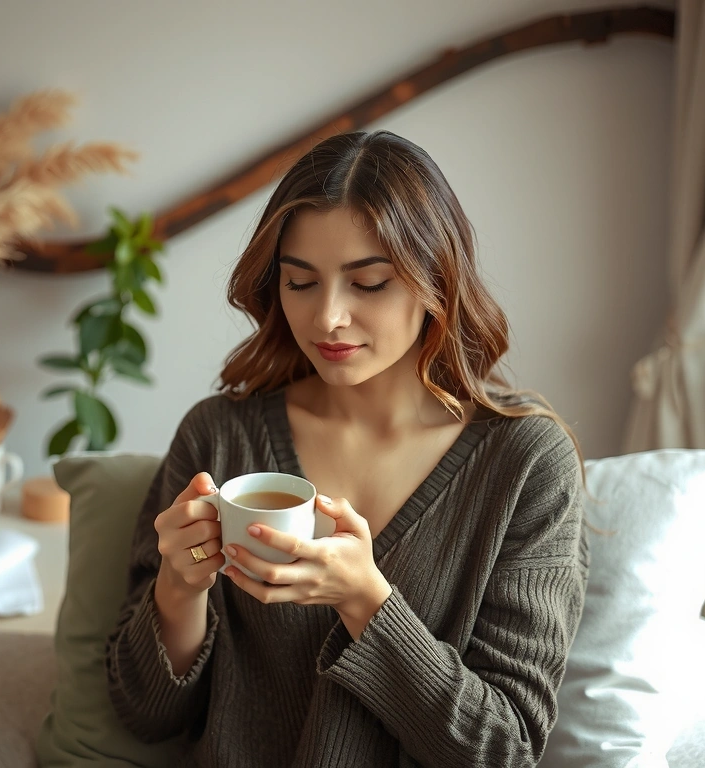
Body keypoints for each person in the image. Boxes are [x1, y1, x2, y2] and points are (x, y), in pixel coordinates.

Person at [106, 130, 589, 767]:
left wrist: (366, 601)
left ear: (433, 281)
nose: (328, 317)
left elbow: (505, 752)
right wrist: (177, 589)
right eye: (300, 283)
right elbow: (144, 715)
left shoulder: (525, 465)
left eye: (368, 283)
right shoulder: (220, 436)